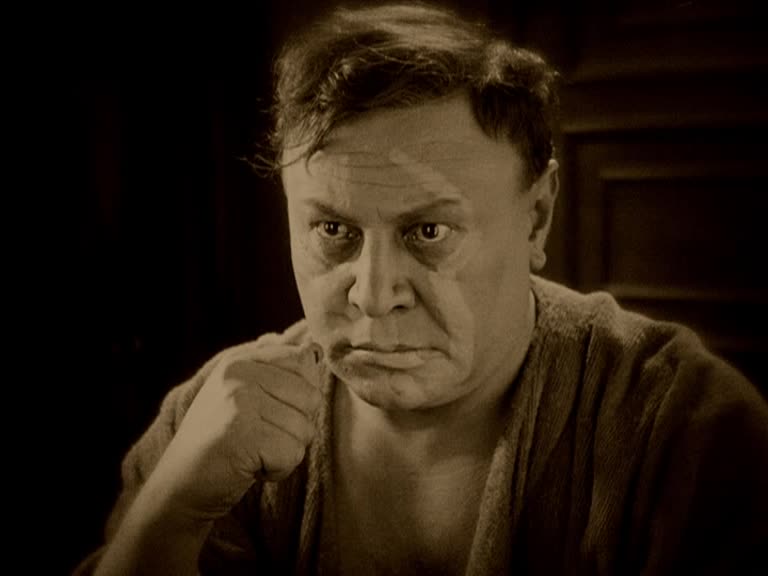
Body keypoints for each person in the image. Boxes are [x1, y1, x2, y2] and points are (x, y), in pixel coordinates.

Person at [76, 2, 768, 575]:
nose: (373, 296)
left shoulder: (683, 429)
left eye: (428, 231)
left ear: (537, 216)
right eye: (333, 230)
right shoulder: (206, 426)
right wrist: (169, 517)